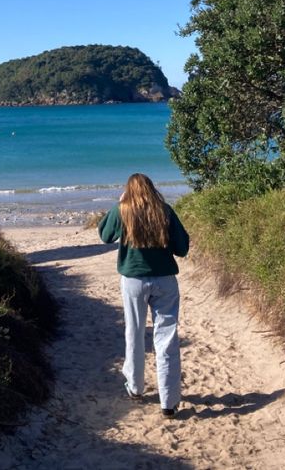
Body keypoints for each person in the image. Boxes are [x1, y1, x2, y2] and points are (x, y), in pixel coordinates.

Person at [98, 173, 189, 418]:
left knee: (134, 332)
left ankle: (136, 388)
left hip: (134, 280)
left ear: (128, 190)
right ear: (151, 189)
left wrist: (118, 204)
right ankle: (168, 402)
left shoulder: (122, 210)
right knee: (166, 338)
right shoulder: (164, 211)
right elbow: (182, 248)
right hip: (165, 280)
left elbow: (105, 235)